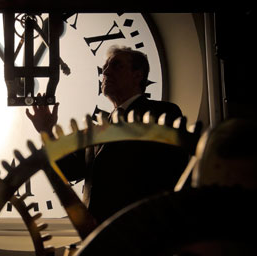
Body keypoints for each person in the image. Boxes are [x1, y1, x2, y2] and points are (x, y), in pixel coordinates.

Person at [26, 45, 188, 223]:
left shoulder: (163, 113)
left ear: (138, 75)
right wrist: (46, 131)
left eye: (116, 66)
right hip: (99, 238)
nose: (106, 72)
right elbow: (67, 171)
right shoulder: (96, 132)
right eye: (104, 68)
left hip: (144, 234)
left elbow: (172, 173)